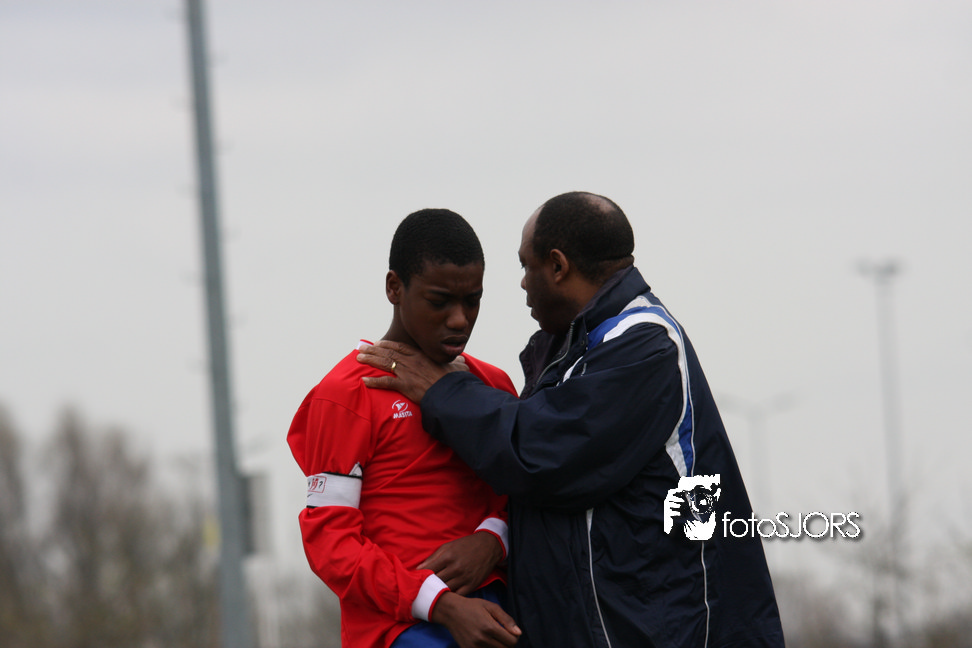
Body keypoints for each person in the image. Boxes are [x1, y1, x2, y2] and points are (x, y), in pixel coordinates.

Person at [357, 192, 786, 647]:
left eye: (526, 266)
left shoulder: (645, 344)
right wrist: (494, 539)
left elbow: (541, 455)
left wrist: (443, 391)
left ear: (558, 266)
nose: (522, 283)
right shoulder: (573, 350)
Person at [287, 209, 522, 648]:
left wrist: (494, 541)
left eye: (472, 300)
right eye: (440, 301)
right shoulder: (345, 394)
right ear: (394, 287)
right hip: (399, 632)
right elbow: (331, 541)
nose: (459, 319)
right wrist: (439, 603)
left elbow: (527, 496)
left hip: (503, 622)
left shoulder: (493, 384)